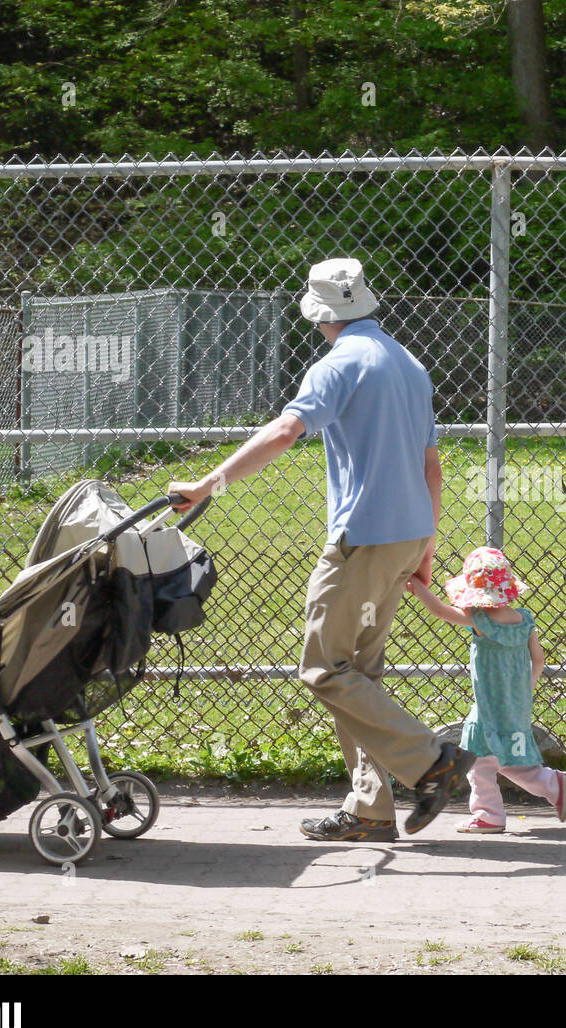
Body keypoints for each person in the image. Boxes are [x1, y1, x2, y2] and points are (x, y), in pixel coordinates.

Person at [168, 257, 474, 842]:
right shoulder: (409, 364)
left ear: (318, 315)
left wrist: (208, 485)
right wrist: (426, 544)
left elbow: (286, 432)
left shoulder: (337, 364)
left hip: (362, 537)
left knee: (322, 668)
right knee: (357, 672)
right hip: (406, 535)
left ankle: (430, 760)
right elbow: (431, 467)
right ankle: (371, 810)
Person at [406, 547, 566, 832]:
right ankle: (491, 812)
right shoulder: (525, 621)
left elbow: (438, 610)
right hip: (516, 704)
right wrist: (525, 689)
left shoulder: (481, 623)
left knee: (496, 760)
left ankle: (547, 786)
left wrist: (416, 586)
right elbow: (539, 660)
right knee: (490, 757)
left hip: (488, 707)